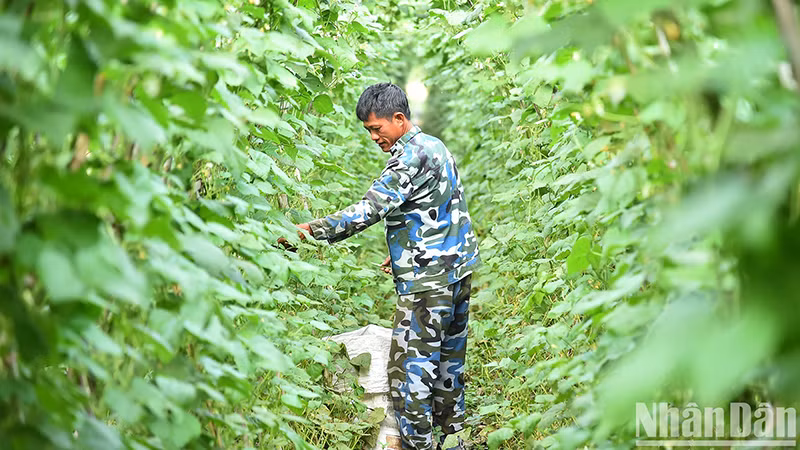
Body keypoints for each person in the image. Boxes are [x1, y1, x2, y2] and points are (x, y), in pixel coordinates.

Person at [285, 82, 480, 450]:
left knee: (411, 375)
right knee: (448, 366)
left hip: (427, 283)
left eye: (377, 128)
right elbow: (446, 206)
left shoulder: (406, 159)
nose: (374, 137)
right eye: (369, 131)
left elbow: (367, 210)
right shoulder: (434, 146)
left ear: (399, 119)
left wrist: (311, 231)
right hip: (458, 271)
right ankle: (457, 441)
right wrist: (406, 246)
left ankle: (417, 446)